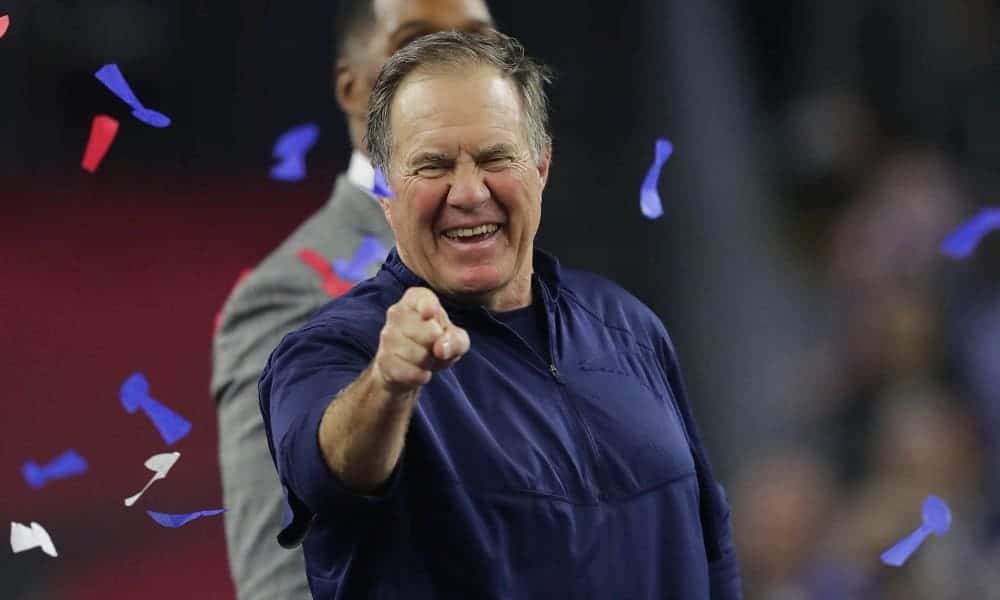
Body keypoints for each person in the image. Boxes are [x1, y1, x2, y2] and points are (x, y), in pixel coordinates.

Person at [260, 30, 743, 599]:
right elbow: (329, 473)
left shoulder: (629, 327)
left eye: (495, 158)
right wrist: (389, 384)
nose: (468, 192)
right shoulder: (338, 349)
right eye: (433, 165)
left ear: (541, 167)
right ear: (385, 190)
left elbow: (711, 546)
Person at [211, 2, 494, 599]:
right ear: (351, 87)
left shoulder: (539, 283)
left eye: (476, 40)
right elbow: (282, 580)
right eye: (416, 41)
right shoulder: (293, 295)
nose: (453, 63)